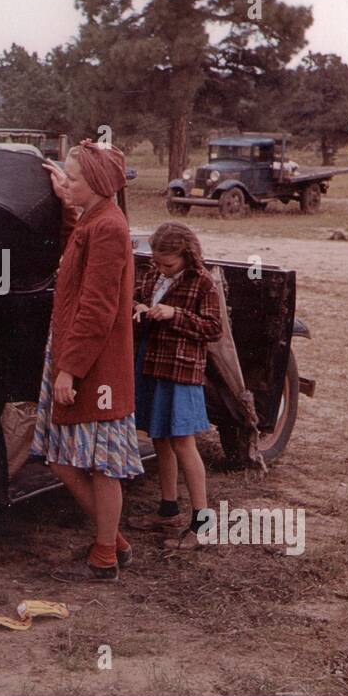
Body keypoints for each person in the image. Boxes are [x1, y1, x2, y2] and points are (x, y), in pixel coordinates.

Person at [33, 141, 141, 581]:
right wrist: (67, 200)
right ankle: (112, 539)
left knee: (101, 464)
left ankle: (104, 557)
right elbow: (78, 244)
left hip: (95, 364)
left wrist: (71, 369)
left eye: (74, 179)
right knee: (62, 456)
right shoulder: (97, 219)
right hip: (76, 353)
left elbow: (99, 308)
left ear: (97, 184)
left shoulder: (110, 228)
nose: (67, 184)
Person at [129, 222, 223, 545]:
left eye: (168, 264)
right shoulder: (154, 274)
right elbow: (136, 299)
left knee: (184, 443)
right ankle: (168, 509)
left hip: (181, 373)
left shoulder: (203, 283)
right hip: (152, 364)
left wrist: (174, 315)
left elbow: (213, 329)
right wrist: (139, 308)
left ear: (187, 255)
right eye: (157, 262)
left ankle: (203, 524)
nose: (161, 269)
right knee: (159, 437)